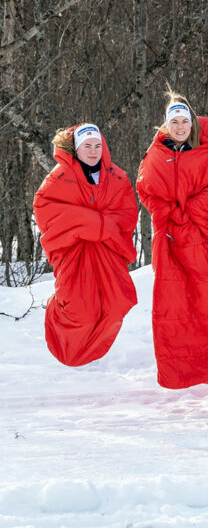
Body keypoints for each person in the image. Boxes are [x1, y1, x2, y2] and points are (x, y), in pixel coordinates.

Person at [136, 93, 208, 388]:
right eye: (174, 122)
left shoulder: (206, 152)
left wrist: (194, 209)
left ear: (192, 124)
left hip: (202, 235)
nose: (180, 127)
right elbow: (145, 189)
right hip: (169, 239)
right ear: (166, 126)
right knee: (173, 304)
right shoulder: (155, 154)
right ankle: (179, 371)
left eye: (184, 121)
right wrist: (167, 211)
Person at [33, 124, 139, 366]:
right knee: (80, 310)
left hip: (107, 251)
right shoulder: (59, 178)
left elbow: (126, 214)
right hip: (74, 251)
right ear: (76, 150)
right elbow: (44, 209)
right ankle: (61, 332)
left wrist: (99, 226)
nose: (93, 151)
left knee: (117, 305)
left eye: (97, 146)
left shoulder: (117, 177)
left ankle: (88, 353)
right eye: (87, 146)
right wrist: (93, 223)